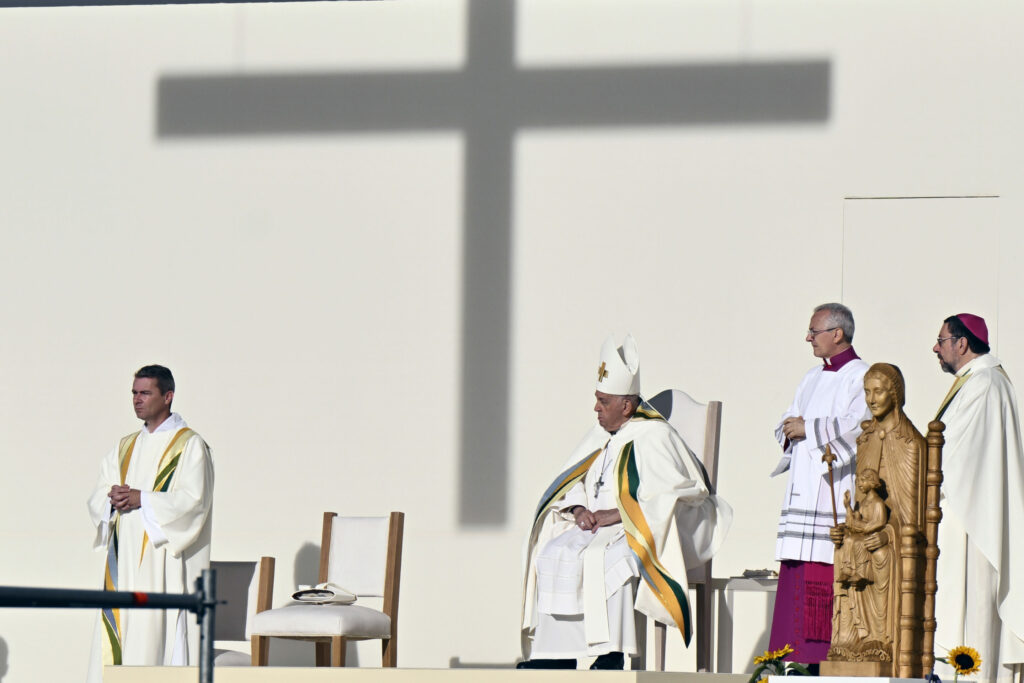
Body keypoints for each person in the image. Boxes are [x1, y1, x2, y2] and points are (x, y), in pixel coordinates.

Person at [519, 335, 731, 670]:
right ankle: (553, 659)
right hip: (594, 526)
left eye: (603, 401)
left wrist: (619, 514)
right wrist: (578, 509)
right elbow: (573, 480)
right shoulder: (600, 434)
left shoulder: (655, 435)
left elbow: (679, 492)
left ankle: (611, 655)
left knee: (608, 559)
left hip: (635, 527)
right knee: (552, 552)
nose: (596, 408)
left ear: (626, 406)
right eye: (597, 399)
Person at [86, 365, 214, 683]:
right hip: (123, 558)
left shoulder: (189, 446)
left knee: (152, 637)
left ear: (168, 396)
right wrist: (112, 498)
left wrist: (143, 499)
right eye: (134, 393)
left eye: (145, 393)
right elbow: (100, 492)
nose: (137, 400)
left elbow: (193, 502)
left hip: (162, 561)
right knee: (119, 632)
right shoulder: (126, 446)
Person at [770, 303, 870, 664]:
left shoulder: (862, 377)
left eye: (814, 331)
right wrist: (791, 427)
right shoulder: (811, 377)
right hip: (802, 488)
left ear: (837, 334)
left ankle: (813, 659)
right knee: (795, 570)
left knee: (820, 576)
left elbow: (859, 426)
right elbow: (787, 418)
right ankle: (786, 657)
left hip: (831, 492)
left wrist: (808, 429)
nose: (808, 337)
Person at [931, 314, 1024, 682]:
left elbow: (955, 455)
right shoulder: (976, 381)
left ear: (962, 343)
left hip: (971, 519)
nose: (936, 349)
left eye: (940, 340)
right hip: (964, 511)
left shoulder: (984, 383)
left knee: (971, 606)